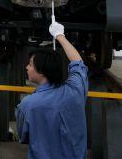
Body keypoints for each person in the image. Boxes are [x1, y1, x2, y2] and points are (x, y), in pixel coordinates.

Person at [16, 21, 89, 159]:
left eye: (30, 65)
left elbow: (23, 136)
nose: (27, 67)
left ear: (42, 71)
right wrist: (60, 36)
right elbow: (79, 65)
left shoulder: (27, 105)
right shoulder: (75, 92)